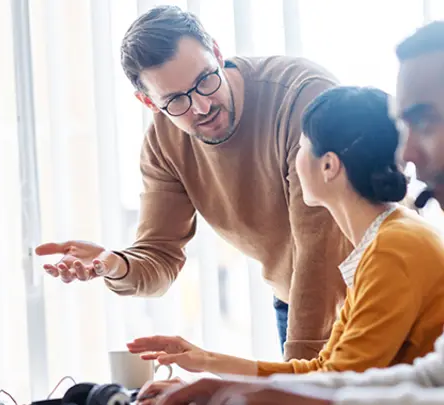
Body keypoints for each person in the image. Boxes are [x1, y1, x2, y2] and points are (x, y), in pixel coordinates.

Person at [35, 5, 351, 361]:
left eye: (205, 80)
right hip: (295, 301)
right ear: (148, 102)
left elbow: (319, 244)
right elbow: (158, 258)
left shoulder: (302, 97)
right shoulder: (163, 145)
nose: (201, 106)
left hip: (374, 294)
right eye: (175, 101)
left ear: (217, 52)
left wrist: (295, 371)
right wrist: (115, 264)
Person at [152, 20, 444, 405]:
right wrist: (208, 366)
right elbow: (324, 368)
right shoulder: (379, 243)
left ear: (329, 166)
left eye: (302, 145)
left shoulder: (394, 246)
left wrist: (242, 393)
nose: (292, 159)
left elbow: (341, 377)